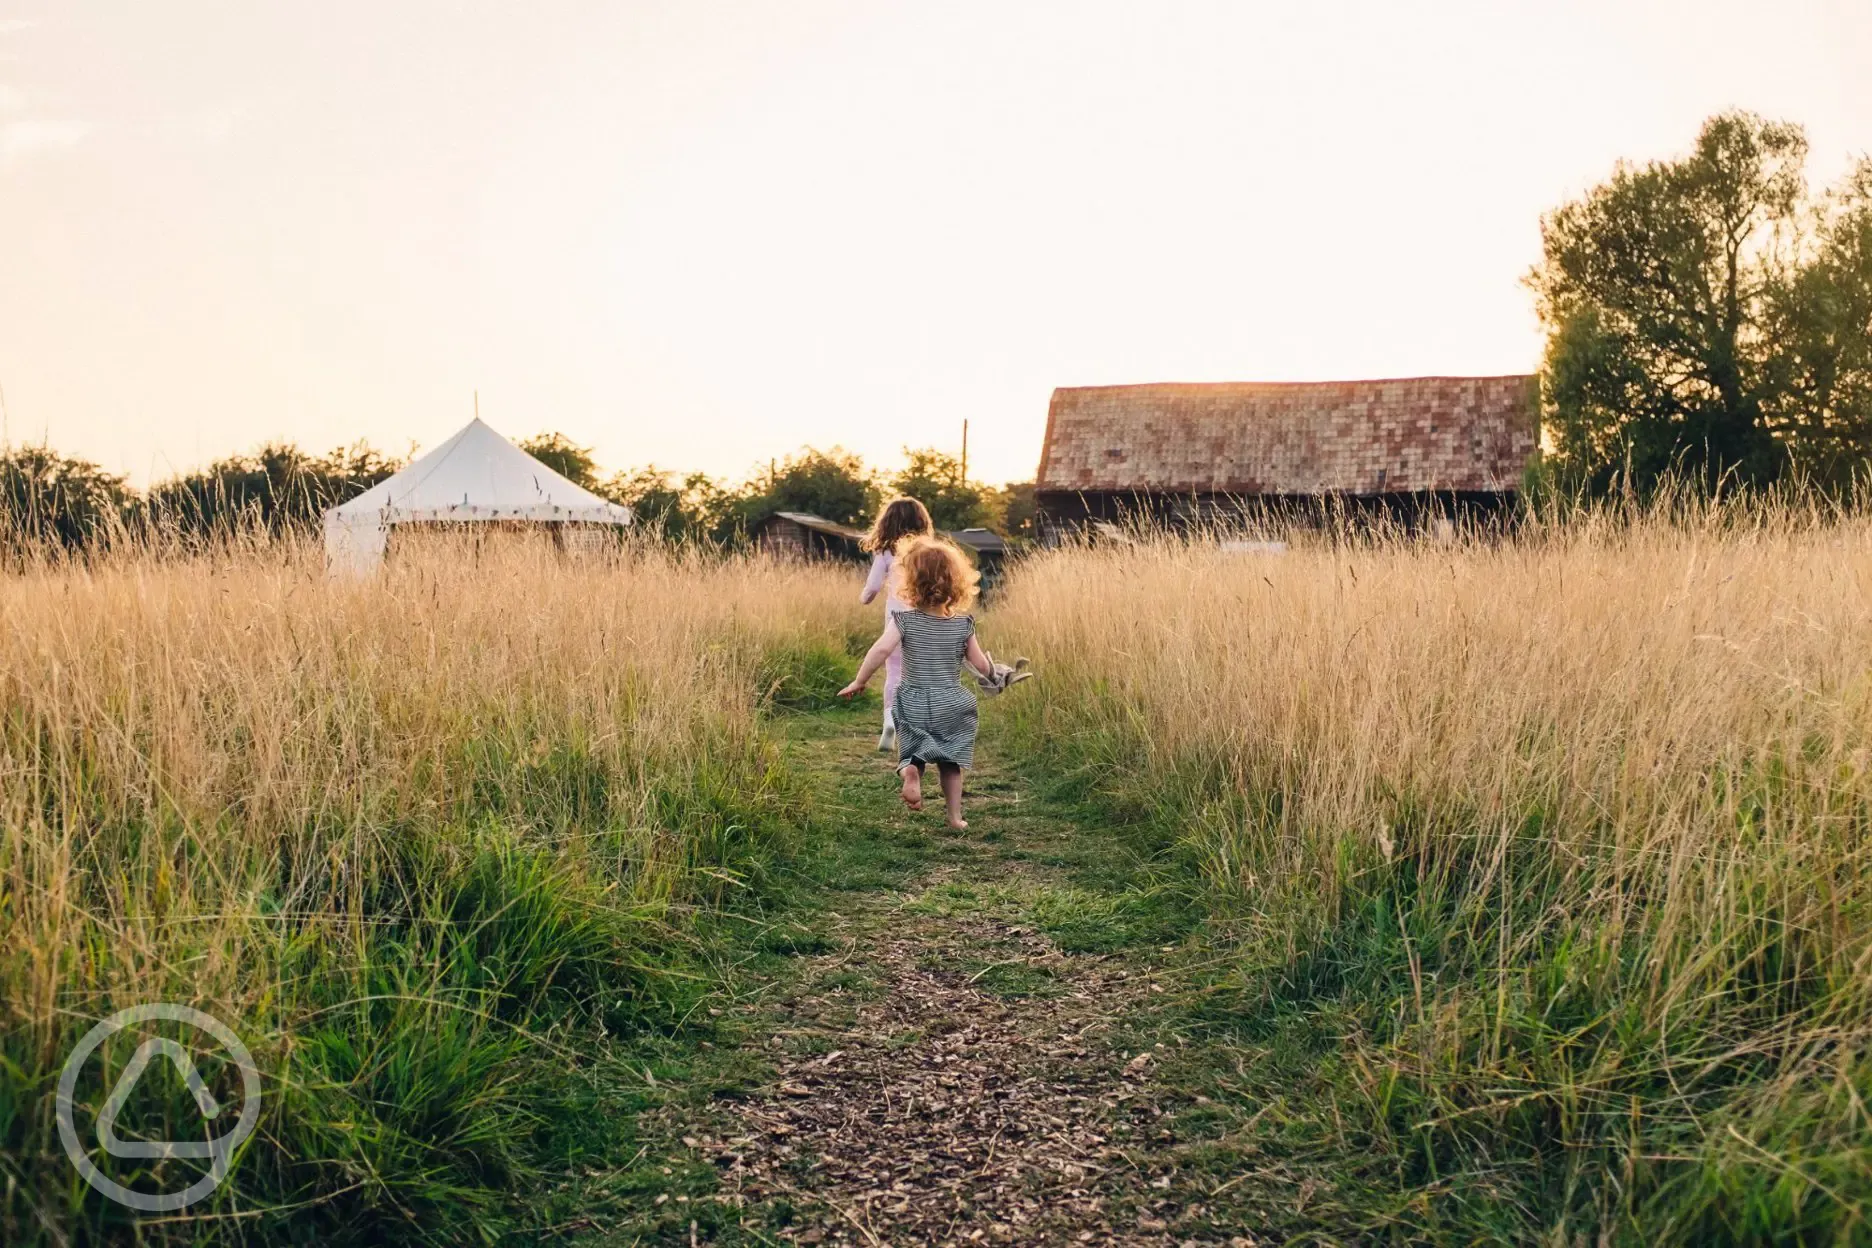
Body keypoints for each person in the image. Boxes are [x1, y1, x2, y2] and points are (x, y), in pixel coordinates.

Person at [840, 536, 996, 831]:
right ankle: (954, 818)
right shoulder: (964, 624)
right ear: (957, 583)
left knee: (913, 751)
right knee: (951, 763)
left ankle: (911, 773)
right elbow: (980, 665)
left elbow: (881, 651)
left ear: (910, 583)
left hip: (913, 700)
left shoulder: (903, 621)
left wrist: (859, 680)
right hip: (951, 702)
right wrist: (996, 674)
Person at [858, 496, 935, 751]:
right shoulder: (928, 553)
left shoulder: (885, 552)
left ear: (887, 523)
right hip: (924, 618)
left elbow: (872, 587)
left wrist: (865, 599)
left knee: (894, 672)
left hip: (895, 619)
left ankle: (890, 718)